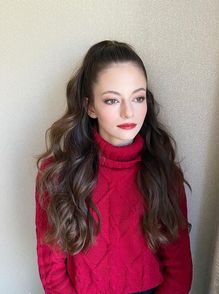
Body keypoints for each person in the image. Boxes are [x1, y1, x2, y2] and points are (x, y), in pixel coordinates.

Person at [35, 40, 193, 294]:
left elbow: (179, 269)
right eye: (111, 101)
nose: (128, 112)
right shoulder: (57, 174)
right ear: (90, 107)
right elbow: (51, 269)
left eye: (138, 97)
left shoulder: (164, 174)